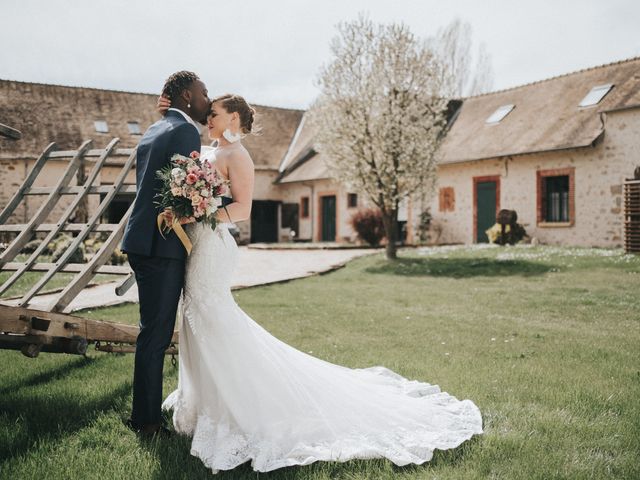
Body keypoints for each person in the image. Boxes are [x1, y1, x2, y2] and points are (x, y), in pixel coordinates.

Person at [157, 93, 483, 473]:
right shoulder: (208, 149)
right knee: (196, 315)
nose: (206, 117)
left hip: (213, 247)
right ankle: (203, 401)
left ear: (232, 119)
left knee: (211, 314)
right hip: (197, 242)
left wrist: (201, 210)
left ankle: (239, 404)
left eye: (213, 113)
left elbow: (243, 209)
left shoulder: (238, 156)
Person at [120, 71, 210, 438]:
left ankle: (143, 414)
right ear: (188, 96)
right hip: (162, 244)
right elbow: (182, 194)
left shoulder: (154, 129)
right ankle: (147, 422)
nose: (209, 100)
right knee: (156, 336)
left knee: (150, 333)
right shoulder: (186, 132)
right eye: (205, 93)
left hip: (140, 241)